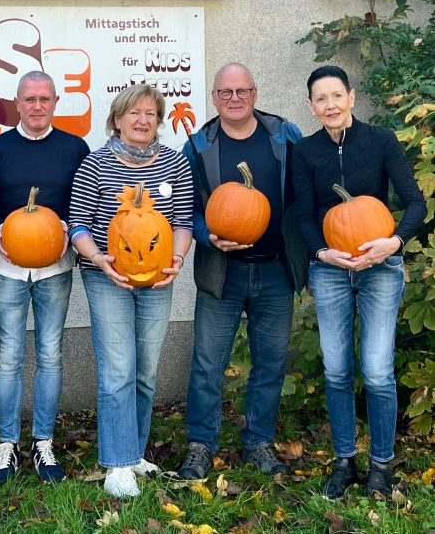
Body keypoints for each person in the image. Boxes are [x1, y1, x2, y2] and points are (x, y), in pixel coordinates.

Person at [293, 65, 425, 500]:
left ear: (351, 96)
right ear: (312, 107)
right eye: (320, 99)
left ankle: (381, 466)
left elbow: (415, 202)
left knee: (377, 370)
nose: (330, 105)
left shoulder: (381, 141)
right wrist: (321, 253)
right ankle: (345, 460)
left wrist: (394, 242)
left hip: (379, 269)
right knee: (336, 369)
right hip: (330, 269)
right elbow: (304, 213)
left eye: (336, 95)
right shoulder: (306, 151)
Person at [177, 63, 306, 481]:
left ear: (255, 92)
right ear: (214, 97)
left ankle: (258, 442)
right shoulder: (198, 146)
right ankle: (201, 445)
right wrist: (207, 235)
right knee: (207, 362)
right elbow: (186, 207)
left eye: (242, 90)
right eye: (225, 92)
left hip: (274, 272)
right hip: (222, 272)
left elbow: (305, 194)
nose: (235, 98)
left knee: (270, 363)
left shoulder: (285, 136)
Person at [68, 84, 193, 497]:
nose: (143, 120)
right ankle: (116, 465)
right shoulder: (96, 165)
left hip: (158, 278)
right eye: (134, 113)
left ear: (158, 121)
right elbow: (79, 226)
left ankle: (133, 450)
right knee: (118, 368)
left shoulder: (174, 164)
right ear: (117, 119)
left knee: (146, 369)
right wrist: (101, 259)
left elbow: (183, 222)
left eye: (151, 114)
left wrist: (175, 260)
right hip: (107, 277)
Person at [0, 71, 90, 484]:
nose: (37, 105)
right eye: (30, 99)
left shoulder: (73, 148)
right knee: (9, 355)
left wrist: (67, 229)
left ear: (56, 101)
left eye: (45, 98)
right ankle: (7, 444)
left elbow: (82, 203)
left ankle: (43, 441)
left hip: (55, 266)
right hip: (6, 266)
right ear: (17, 103)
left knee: (50, 353)